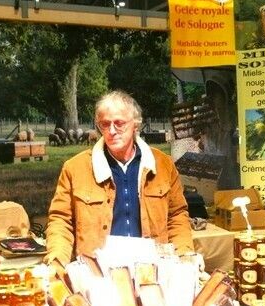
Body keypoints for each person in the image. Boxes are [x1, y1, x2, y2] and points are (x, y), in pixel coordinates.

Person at [44, 90, 193, 271]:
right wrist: (57, 261)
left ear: (135, 125)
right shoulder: (75, 168)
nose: (111, 131)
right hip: (98, 272)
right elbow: (61, 220)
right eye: (104, 125)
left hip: (151, 271)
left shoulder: (163, 165)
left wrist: (185, 255)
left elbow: (177, 215)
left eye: (119, 123)